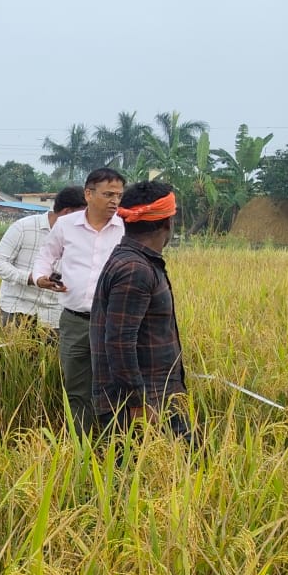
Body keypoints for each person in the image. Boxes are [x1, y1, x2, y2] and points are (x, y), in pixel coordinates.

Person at [31, 167, 126, 435]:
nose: (114, 201)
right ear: (89, 194)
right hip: (74, 320)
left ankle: (113, 445)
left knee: (112, 386)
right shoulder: (65, 225)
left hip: (112, 322)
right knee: (76, 385)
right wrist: (41, 277)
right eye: (108, 194)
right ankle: (81, 444)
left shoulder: (125, 227)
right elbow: (45, 256)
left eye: (119, 195)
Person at [90, 180, 189, 437]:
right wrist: (138, 404)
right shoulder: (135, 269)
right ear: (167, 222)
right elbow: (120, 342)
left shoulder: (135, 261)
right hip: (144, 403)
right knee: (165, 471)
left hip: (154, 395)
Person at [0, 186, 87, 332]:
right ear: (67, 213)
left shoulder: (82, 238)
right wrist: (31, 278)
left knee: (49, 355)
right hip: (17, 309)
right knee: (12, 354)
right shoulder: (24, 227)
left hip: (53, 316)